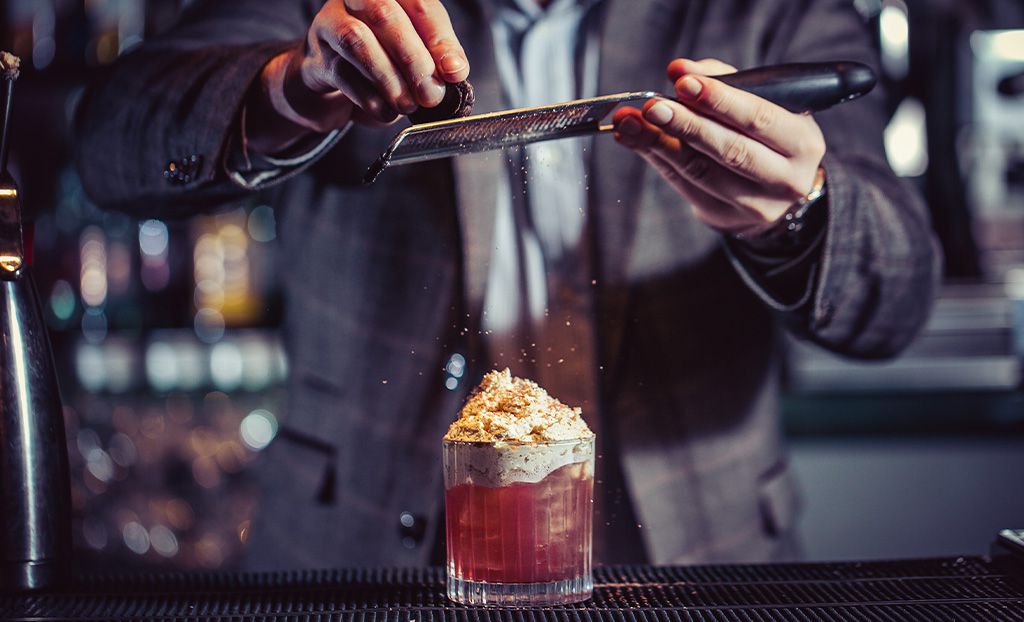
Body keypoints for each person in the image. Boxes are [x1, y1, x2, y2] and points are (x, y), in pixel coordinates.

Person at [74, 0, 941, 569]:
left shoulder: (772, 9)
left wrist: (794, 214)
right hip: (369, 546)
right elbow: (112, 140)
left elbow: (895, 299)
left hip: (694, 553)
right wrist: (290, 90)